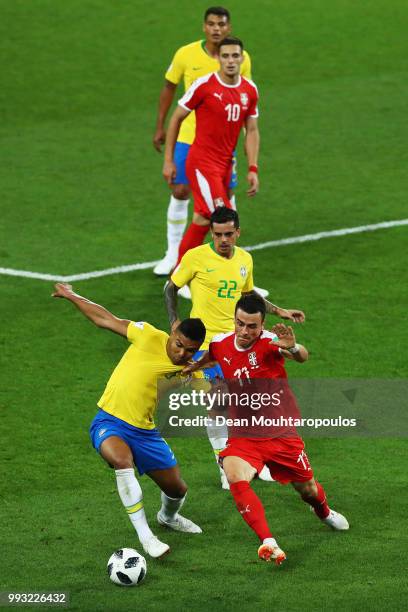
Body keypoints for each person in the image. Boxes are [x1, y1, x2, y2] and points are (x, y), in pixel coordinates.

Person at [186, 294, 349, 564]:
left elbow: (302, 357)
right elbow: (212, 357)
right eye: (240, 324)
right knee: (233, 474)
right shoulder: (220, 343)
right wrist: (193, 366)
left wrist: (294, 347)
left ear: (262, 325)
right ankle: (268, 541)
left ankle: (324, 512)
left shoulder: (269, 343)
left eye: (252, 326)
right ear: (234, 320)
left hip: (281, 435)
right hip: (244, 436)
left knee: (307, 489)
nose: (244, 331)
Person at [52, 282, 205, 559]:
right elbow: (106, 319)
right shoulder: (148, 336)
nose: (182, 353)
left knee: (177, 489)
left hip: (146, 433)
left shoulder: (191, 370)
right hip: (109, 421)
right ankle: (146, 537)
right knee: (122, 461)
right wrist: (72, 296)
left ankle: (168, 518)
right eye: (179, 345)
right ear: (173, 332)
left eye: (190, 351)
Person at [165, 207, 305, 488]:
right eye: (218, 234)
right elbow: (170, 287)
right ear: (211, 233)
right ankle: (223, 463)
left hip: (240, 344)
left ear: (238, 232)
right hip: (206, 347)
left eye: (229, 233)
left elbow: (248, 295)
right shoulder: (195, 257)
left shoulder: (245, 259)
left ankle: (257, 459)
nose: (223, 239)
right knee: (219, 404)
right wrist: (175, 323)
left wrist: (280, 311)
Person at [153, 6, 252, 276]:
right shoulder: (186, 55)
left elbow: (244, 103)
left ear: (229, 28)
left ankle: (204, 268)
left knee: (223, 202)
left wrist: (244, 153)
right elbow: (169, 88)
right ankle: (174, 254)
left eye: (221, 24)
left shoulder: (241, 59)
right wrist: (160, 126)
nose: (216, 29)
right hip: (190, 138)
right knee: (182, 192)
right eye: (211, 24)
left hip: (224, 147)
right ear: (204, 27)